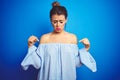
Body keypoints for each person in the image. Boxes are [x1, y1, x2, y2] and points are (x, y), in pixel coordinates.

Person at [21, 1, 97, 80]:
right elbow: (38, 64)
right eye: (55, 22)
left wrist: (86, 49)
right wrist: (30, 47)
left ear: (66, 20)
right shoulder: (44, 38)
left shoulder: (72, 38)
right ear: (51, 20)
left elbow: (74, 64)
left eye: (61, 21)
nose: (58, 25)